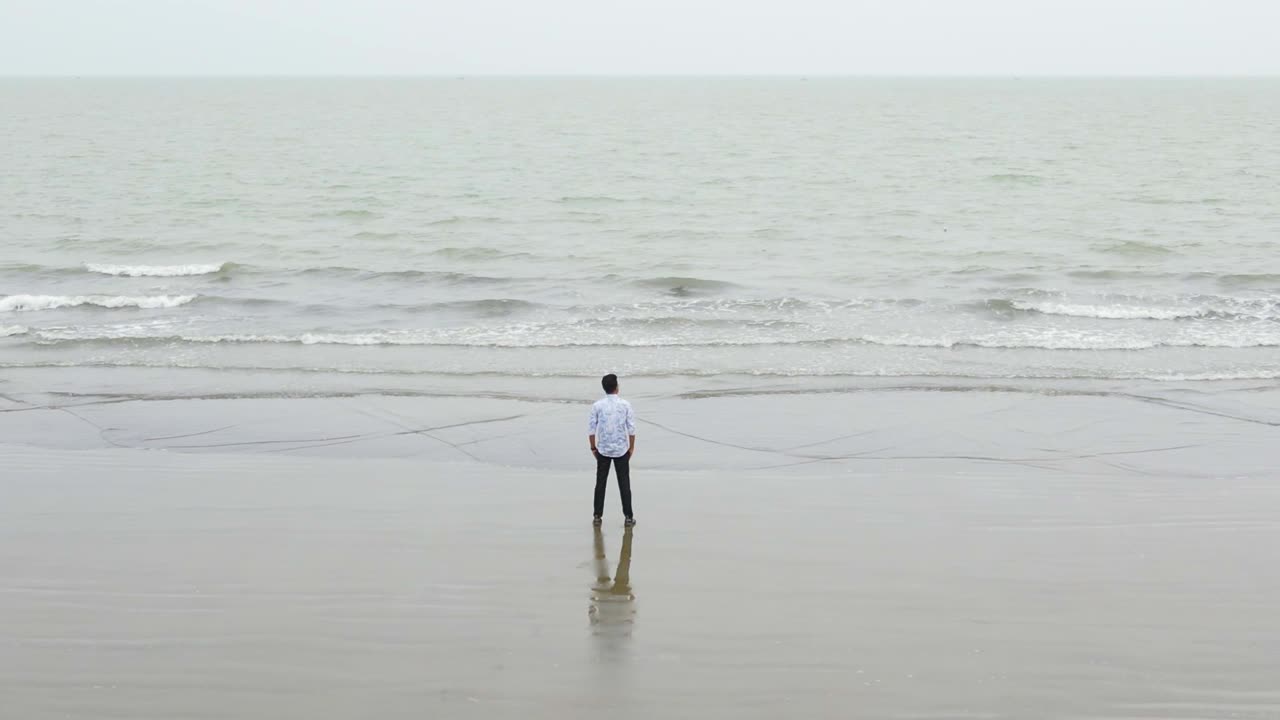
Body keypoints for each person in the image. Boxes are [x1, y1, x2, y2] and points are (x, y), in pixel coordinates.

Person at [588, 373, 636, 527]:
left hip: (603, 449)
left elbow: (591, 429)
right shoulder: (625, 405)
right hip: (621, 449)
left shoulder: (597, 405)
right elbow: (631, 429)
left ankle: (597, 516)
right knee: (624, 484)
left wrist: (593, 448)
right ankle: (628, 517)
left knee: (600, 483)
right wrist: (631, 448)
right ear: (617, 387)